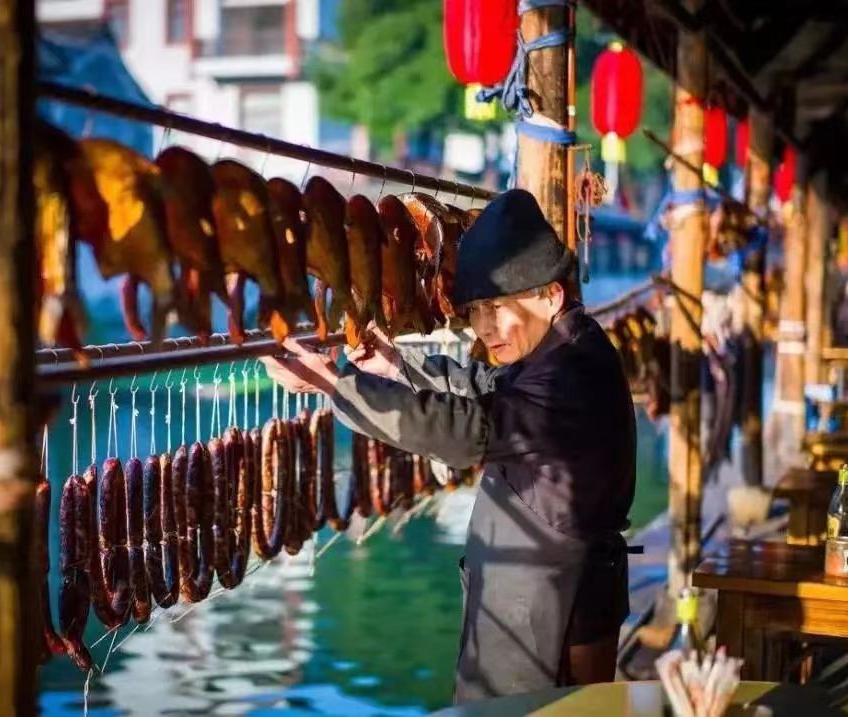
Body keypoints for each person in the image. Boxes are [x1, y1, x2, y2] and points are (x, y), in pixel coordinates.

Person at [261, 189, 636, 702]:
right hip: (539, 597)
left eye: (496, 307)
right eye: (475, 310)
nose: (483, 327)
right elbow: (486, 388)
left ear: (550, 295)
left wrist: (335, 386)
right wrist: (397, 366)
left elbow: (465, 428)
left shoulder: (571, 375)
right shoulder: (563, 348)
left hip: (547, 615)